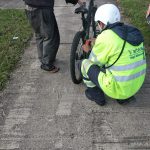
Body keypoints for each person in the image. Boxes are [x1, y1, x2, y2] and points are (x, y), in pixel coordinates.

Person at [81, 4, 147, 106]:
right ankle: (124, 98)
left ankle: (96, 95)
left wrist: (88, 50)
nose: (99, 25)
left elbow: (94, 61)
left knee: (84, 64)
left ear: (102, 23)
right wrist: (97, 42)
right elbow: (117, 45)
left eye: (98, 23)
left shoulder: (106, 37)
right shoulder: (132, 31)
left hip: (118, 89)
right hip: (135, 86)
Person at [23, 0, 85, 72]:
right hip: (42, 8)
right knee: (51, 37)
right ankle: (47, 64)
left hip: (29, 7)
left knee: (39, 34)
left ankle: (43, 59)